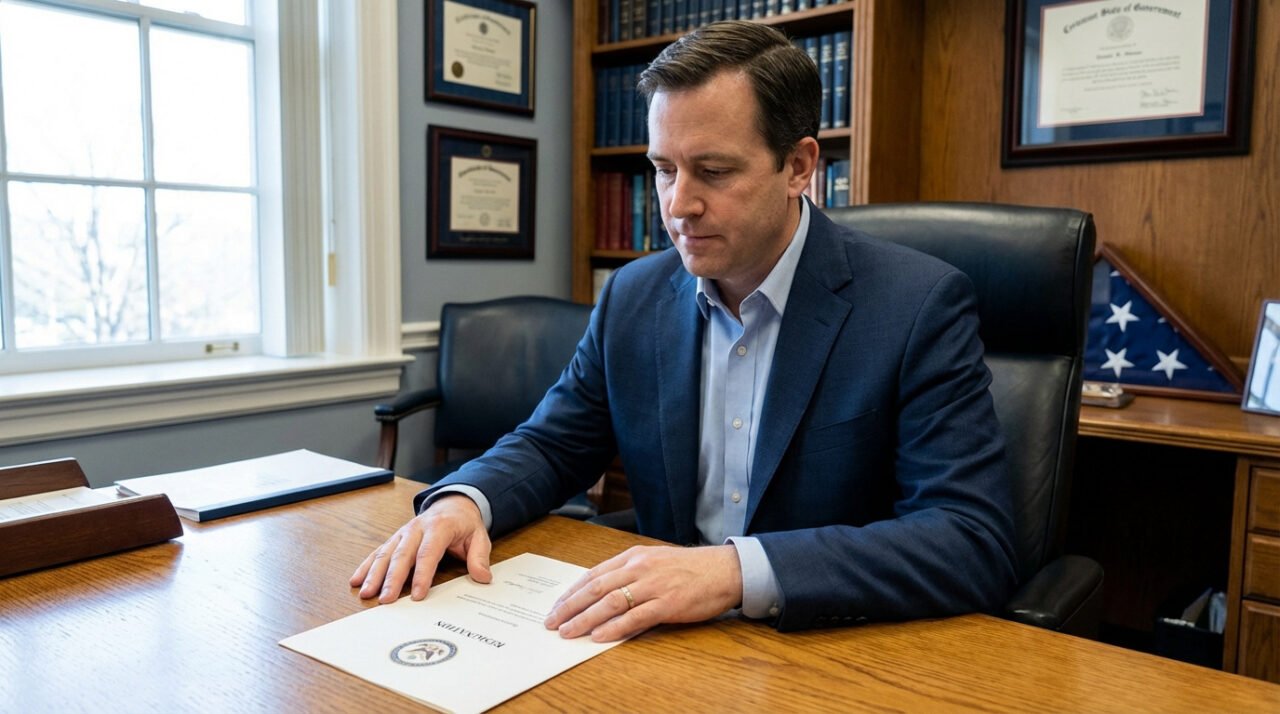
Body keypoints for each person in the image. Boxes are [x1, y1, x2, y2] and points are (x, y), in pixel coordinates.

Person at [352, 20, 1017, 642]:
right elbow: (554, 444)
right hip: (660, 641)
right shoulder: (634, 295)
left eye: (714, 171)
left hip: (825, 643)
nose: (678, 205)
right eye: (664, 169)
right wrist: (466, 502)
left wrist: (734, 571)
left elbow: (970, 538)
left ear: (798, 166)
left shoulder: (915, 304)